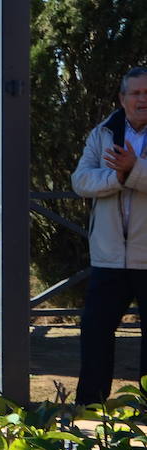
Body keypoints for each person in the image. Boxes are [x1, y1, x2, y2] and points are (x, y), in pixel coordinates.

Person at [70, 66, 147, 406]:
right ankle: (91, 409)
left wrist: (132, 169)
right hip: (108, 257)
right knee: (95, 334)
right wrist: (119, 178)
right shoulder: (102, 133)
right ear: (122, 98)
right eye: (136, 93)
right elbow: (81, 182)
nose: (142, 100)